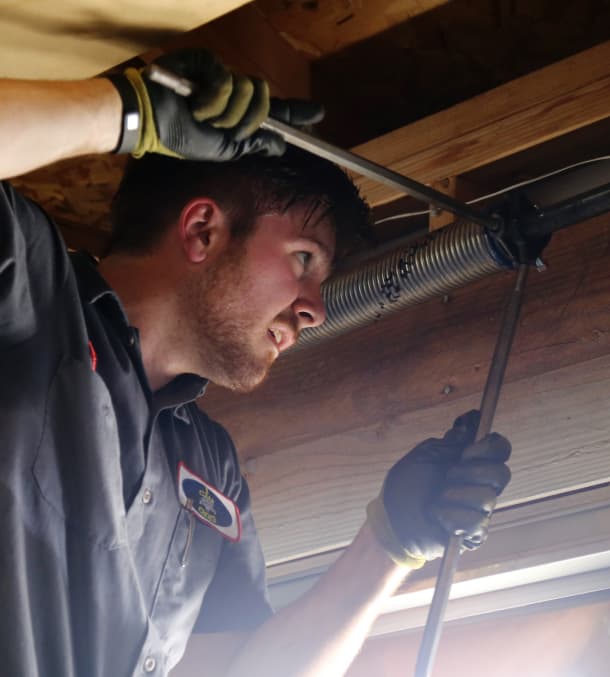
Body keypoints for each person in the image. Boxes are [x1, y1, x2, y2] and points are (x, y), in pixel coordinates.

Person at [0, 49, 512, 676]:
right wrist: (128, 113)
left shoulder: (210, 464)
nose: (316, 309)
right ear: (203, 231)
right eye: (303, 259)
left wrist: (390, 543)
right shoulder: (28, 290)